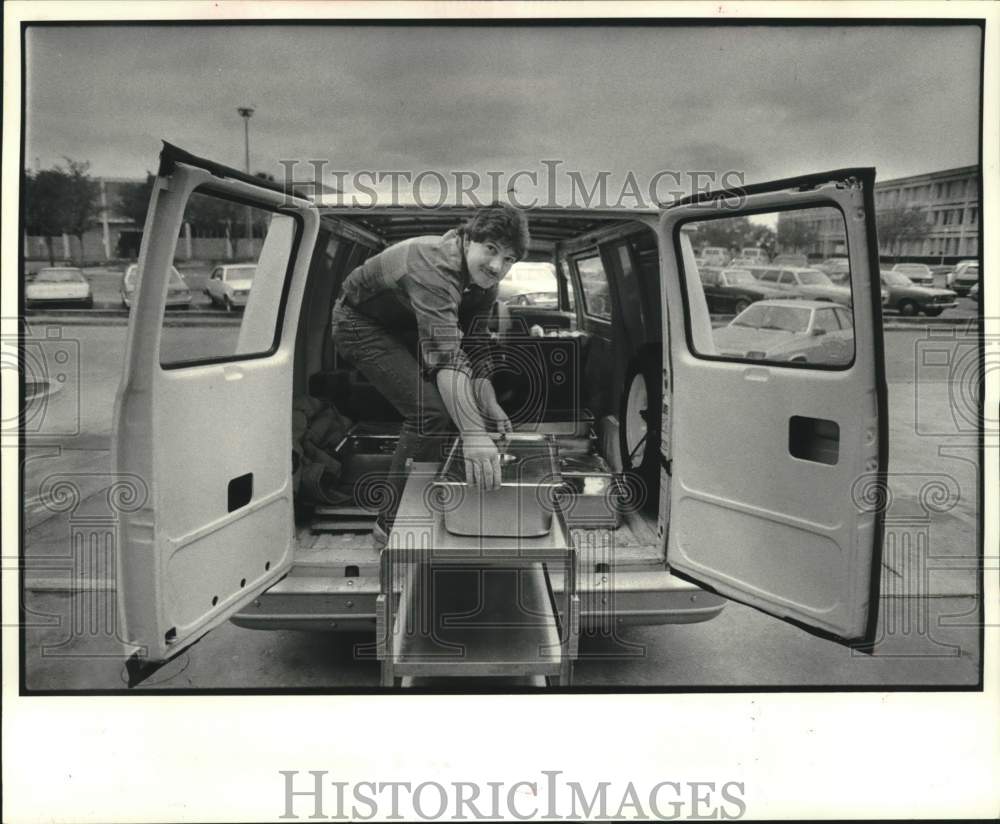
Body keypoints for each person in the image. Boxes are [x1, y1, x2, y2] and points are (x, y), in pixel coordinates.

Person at [330, 203, 530, 548]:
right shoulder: (432, 265)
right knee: (431, 413)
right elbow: (448, 357)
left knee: (464, 410)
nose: (498, 266)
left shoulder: (485, 285)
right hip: (360, 324)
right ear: (469, 239)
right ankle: (390, 525)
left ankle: (427, 494)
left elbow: (476, 347)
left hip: (405, 324)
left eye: (509, 259)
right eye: (491, 249)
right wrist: (474, 435)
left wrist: (489, 405)